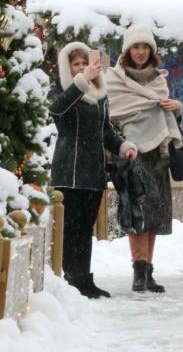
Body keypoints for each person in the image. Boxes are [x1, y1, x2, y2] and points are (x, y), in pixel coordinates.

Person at [48, 42, 137, 299]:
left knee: (85, 230)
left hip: (94, 174)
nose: (82, 68)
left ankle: (84, 280)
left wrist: (123, 146)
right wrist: (81, 82)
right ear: (67, 67)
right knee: (69, 231)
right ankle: (70, 281)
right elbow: (56, 110)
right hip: (69, 174)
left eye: (86, 63)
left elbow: (105, 131)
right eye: (76, 64)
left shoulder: (100, 95)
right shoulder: (62, 91)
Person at [106, 25, 182, 293]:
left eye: (145, 47)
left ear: (151, 51)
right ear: (127, 51)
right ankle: (138, 271)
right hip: (131, 153)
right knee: (136, 211)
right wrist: (121, 145)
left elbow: (165, 116)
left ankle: (148, 271)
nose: (140, 52)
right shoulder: (113, 79)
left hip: (158, 156)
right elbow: (111, 117)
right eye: (136, 47)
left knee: (153, 214)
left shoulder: (158, 81)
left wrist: (177, 108)